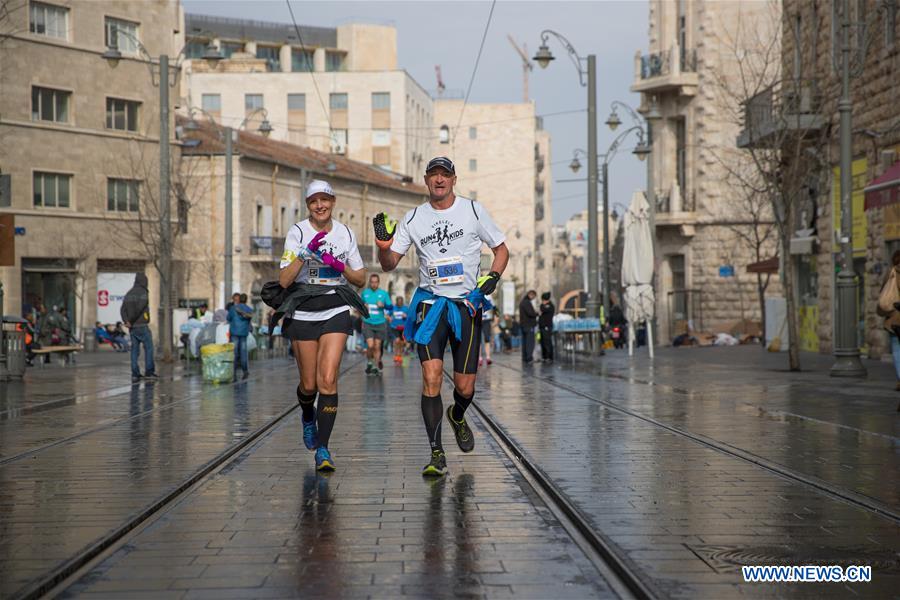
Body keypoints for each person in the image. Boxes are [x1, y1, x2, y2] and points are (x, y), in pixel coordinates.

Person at [374, 156, 509, 476]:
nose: (439, 180)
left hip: (466, 306)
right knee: (431, 378)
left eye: (444, 175)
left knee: (464, 387)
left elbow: (501, 249)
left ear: (454, 179)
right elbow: (389, 264)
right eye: (433, 175)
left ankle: (458, 416)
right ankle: (436, 453)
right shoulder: (414, 218)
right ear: (425, 180)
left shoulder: (473, 210)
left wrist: (492, 278)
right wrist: (382, 246)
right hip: (429, 306)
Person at [276, 179, 367, 471]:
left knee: (328, 379)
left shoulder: (345, 233)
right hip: (303, 311)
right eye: (314, 201)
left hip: (335, 308)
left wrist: (338, 266)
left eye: (324, 200)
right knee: (309, 385)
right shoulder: (297, 232)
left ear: (333, 201)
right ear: (308, 206)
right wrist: (304, 254)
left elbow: (361, 278)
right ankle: (306, 414)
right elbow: (284, 281)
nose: (320, 205)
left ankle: (323, 449)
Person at [121, 273, 156, 383]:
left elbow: (122, 309)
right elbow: (140, 308)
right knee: (149, 348)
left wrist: (126, 321)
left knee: (134, 351)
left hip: (132, 328)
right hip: (141, 326)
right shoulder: (143, 292)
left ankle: (135, 374)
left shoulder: (129, 293)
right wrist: (130, 320)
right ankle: (149, 372)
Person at [360, 273, 392, 375]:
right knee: (370, 345)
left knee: (377, 346)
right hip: (368, 322)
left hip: (380, 323)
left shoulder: (383, 293)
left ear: (378, 283)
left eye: (376, 282)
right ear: (370, 282)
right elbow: (359, 307)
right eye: (372, 282)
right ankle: (370, 361)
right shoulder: (365, 293)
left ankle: (375, 366)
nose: (374, 284)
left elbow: (390, 307)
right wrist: (363, 307)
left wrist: (383, 305)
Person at [228, 292, 254, 380]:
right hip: (243, 333)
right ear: (246, 300)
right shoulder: (249, 309)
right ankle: (245, 370)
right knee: (243, 352)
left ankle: (233, 370)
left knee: (234, 352)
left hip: (234, 332)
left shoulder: (233, 308)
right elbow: (250, 319)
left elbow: (228, 318)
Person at [519, 290, 538, 363]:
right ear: (531, 295)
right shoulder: (527, 302)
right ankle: (529, 358)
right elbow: (530, 313)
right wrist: (536, 313)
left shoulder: (522, 302)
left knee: (524, 342)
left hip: (523, 325)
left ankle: (524, 358)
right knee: (530, 342)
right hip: (529, 325)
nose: (533, 298)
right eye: (534, 296)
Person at [391, 296, 408, 364]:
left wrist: (406, 316)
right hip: (394, 327)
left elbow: (409, 317)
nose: (399, 303)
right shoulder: (393, 308)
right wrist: (389, 318)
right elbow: (387, 314)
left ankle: (400, 355)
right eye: (398, 302)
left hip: (403, 327)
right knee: (396, 341)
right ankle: (396, 355)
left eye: (401, 302)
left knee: (401, 343)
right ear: (396, 302)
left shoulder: (405, 308)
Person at [539, 292, 555, 362]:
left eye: (543, 300)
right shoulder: (544, 305)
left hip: (547, 326)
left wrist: (542, 307)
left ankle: (549, 357)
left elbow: (542, 309)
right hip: (542, 327)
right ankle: (544, 356)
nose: (542, 302)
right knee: (542, 342)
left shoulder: (550, 306)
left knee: (547, 342)